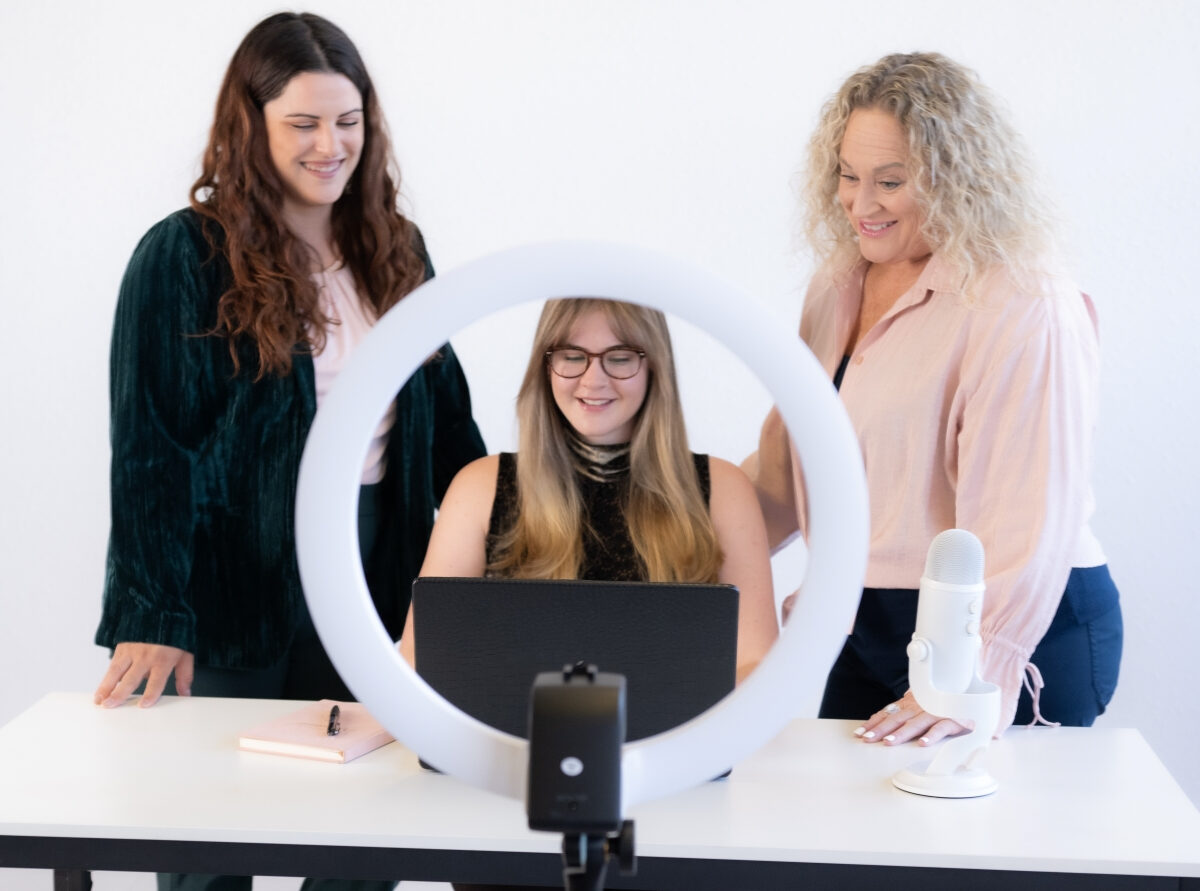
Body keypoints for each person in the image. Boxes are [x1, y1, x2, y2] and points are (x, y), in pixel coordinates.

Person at [92, 12, 485, 891]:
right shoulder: (181, 256)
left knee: (372, 819)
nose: (329, 145)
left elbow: (451, 423)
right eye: (302, 123)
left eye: (347, 122)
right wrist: (153, 611)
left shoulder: (397, 249)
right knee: (210, 828)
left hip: (378, 556)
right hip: (231, 566)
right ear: (251, 124)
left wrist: (506, 552)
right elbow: (147, 444)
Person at [745, 52, 1121, 746]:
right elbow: (787, 468)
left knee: (970, 850)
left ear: (959, 179)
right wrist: (657, 537)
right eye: (848, 176)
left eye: (891, 181)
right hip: (872, 616)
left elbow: (1025, 517)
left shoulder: (1022, 300)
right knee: (848, 838)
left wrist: (971, 671)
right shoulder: (838, 286)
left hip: (1011, 622)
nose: (861, 205)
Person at [403, 298, 778, 687]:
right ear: (545, 365)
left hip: (681, 743)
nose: (593, 380)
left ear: (654, 365)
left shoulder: (724, 489)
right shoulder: (479, 486)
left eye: (619, 358)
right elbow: (420, 658)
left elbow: (756, 664)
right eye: (571, 355)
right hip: (511, 744)